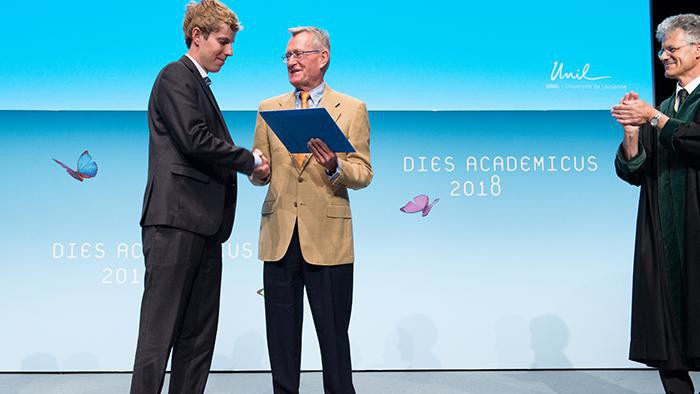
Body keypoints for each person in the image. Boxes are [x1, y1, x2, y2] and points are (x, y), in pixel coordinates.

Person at [130, 1, 268, 393]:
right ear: (197, 36)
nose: (230, 51)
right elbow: (194, 139)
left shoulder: (198, 84)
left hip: (204, 226)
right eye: (223, 42)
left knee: (198, 336)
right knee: (160, 334)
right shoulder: (175, 76)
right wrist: (249, 160)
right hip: (175, 223)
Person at [249, 26, 373, 394]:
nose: (292, 61)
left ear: (323, 58)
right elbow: (261, 170)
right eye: (288, 56)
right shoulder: (269, 108)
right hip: (280, 237)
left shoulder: (351, 108)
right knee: (282, 340)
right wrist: (257, 171)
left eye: (299, 54)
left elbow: (364, 172)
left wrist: (335, 166)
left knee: (334, 338)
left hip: (328, 240)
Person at [612, 13, 700, 394]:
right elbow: (634, 169)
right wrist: (633, 133)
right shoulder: (666, 104)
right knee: (667, 335)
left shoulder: (664, 110)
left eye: (672, 48)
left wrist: (655, 118)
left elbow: (694, 140)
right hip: (663, 233)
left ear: (698, 49)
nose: (664, 56)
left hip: (696, 230)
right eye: (662, 50)